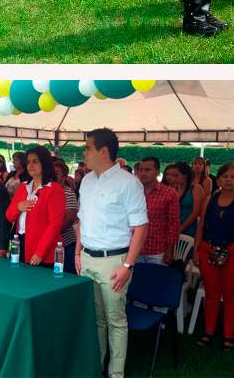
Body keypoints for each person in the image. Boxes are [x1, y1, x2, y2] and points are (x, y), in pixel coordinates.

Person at [76, 128, 148, 378]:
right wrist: (77, 254)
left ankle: (116, 373)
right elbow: (81, 220)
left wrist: (127, 266)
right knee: (96, 320)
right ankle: (96, 368)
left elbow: (141, 227)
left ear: (103, 151)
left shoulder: (129, 183)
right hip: (87, 258)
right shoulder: (86, 180)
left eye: (87, 148)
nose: (83, 153)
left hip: (114, 261)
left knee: (116, 321)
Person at [193, 162, 234, 351]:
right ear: (218, 178)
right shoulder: (210, 198)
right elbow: (201, 226)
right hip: (208, 252)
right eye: (225, 176)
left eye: (233, 176)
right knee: (211, 294)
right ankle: (209, 331)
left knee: (230, 296)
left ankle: (228, 335)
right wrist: (195, 251)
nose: (229, 179)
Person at [5, 145, 65, 266]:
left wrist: (40, 253)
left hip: (44, 250)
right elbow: (9, 216)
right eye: (28, 162)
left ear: (44, 163)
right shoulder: (23, 187)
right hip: (21, 244)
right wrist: (18, 207)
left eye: (35, 162)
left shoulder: (54, 189)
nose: (30, 165)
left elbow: (55, 225)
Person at [134, 157, 179, 265]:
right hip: (135, 249)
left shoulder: (169, 193)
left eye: (148, 170)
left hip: (158, 250)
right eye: (141, 169)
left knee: (156, 280)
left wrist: (170, 249)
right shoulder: (132, 190)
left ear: (158, 172)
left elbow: (173, 223)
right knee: (136, 281)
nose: (143, 173)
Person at [164, 161, 202, 245]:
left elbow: (196, 212)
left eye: (176, 175)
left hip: (188, 226)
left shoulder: (196, 188)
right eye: (172, 175)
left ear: (185, 175)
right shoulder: (172, 189)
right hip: (172, 227)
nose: (173, 178)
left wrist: (180, 228)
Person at [54, 158, 80, 275]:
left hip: (65, 242)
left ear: (65, 177)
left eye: (57, 173)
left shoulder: (68, 193)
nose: (54, 175)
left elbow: (69, 219)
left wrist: (52, 234)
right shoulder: (45, 191)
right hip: (49, 242)